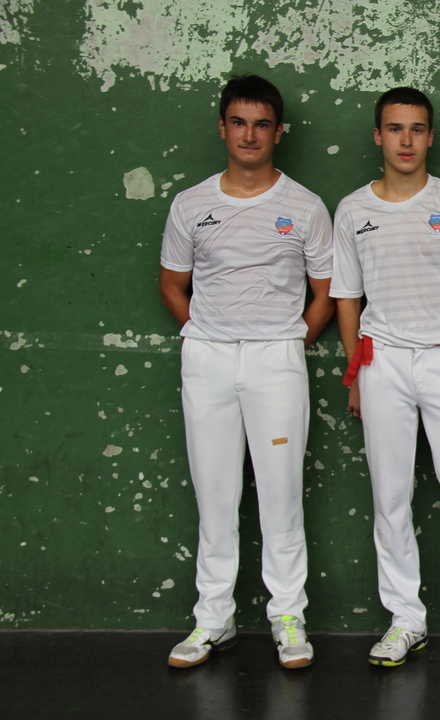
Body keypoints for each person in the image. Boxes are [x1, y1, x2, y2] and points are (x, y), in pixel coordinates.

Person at [331, 87, 440, 669]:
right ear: (378, 136)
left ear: (430, 137)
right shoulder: (352, 210)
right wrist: (356, 375)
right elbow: (347, 300)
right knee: (391, 498)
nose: (405, 140)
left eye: (416, 129)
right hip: (382, 363)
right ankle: (406, 619)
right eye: (394, 128)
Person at [159, 75, 334, 669]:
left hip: (276, 359)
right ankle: (214, 618)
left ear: (278, 132)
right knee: (215, 495)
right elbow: (172, 285)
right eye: (239, 122)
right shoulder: (190, 204)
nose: (249, 135)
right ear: (223, 128)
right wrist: (206, 333)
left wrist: (284, 342)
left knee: (281, 496)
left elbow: (325, 294)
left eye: (262, 124)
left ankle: (289, 617)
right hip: (207, 358)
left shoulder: (305, 206)